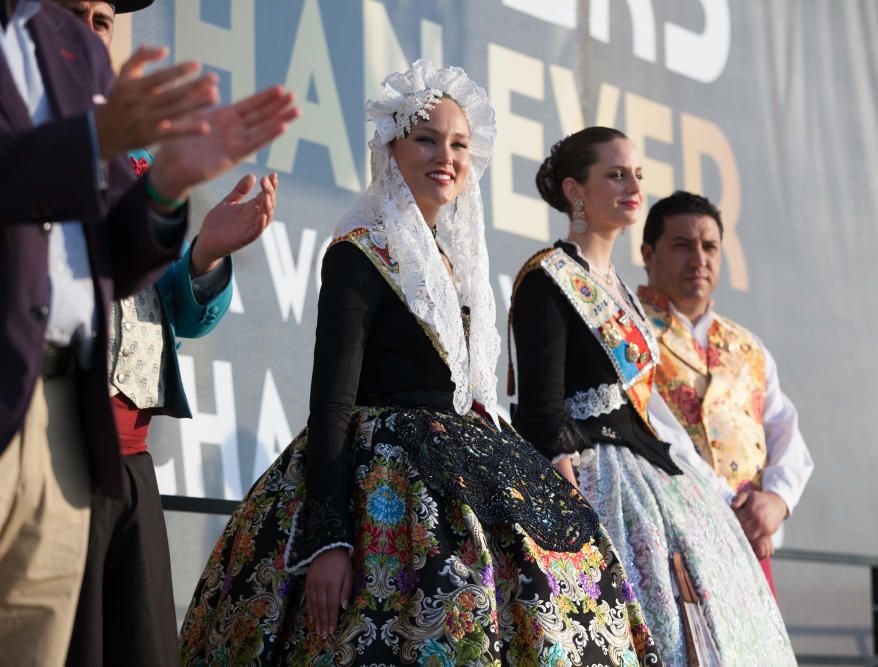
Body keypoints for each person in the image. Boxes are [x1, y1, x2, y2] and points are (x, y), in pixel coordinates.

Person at [180, 61, 659, 666]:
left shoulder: (457, 267)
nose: (446, 156)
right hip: (382, 485)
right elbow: (332, 402)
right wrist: (330, 539)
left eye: (459, 143)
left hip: (465, 466)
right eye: (426, 138)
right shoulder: (359, 254)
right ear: (392, 148)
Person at [0, 0, 298, 662]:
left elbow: (157, 296)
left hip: (116, 451)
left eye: (102, 19)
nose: (85, 30)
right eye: (73, 11)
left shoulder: (128, 162)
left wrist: (203, 252)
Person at [509, 127, 796, 664]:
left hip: (654, 484)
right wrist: (573, 517)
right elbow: (540, 411)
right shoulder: (548, 278)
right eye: (614, 175)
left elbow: (647, 413)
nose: (632, 186)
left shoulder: (619, 292)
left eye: (637, 175)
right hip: (596, 485)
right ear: (575, 191)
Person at [638, 190, 814, 595]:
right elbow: (655, 431)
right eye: (682, 245)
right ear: (648, 255)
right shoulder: (630, 330)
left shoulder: (748, 347)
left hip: (752, 544)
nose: (698, 258)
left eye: (709, 246)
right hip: (670, 538)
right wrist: (733, 508)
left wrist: (776, 503)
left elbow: (785, 431)